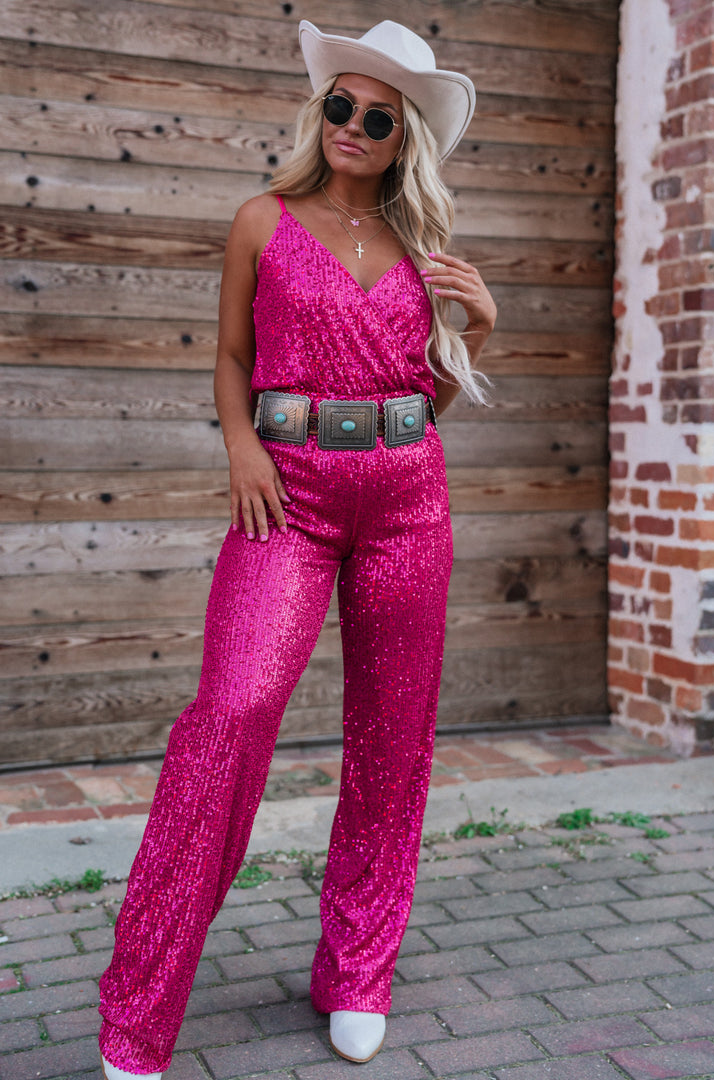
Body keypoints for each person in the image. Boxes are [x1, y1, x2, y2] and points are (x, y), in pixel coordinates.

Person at [97, 18, 496, 1079]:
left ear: (405, 139)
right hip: (290, 499)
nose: (352, 125)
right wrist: (241, 445)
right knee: (231, 713)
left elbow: (427, 401)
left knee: (393, 739)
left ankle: (358, 971)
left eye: (377, 117)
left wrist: (480, 331)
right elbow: (232, 357)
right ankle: (137, 1010)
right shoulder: (261, 222)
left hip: (407, 500)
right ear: (319, 113)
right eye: (340, 106)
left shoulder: (423, 248)